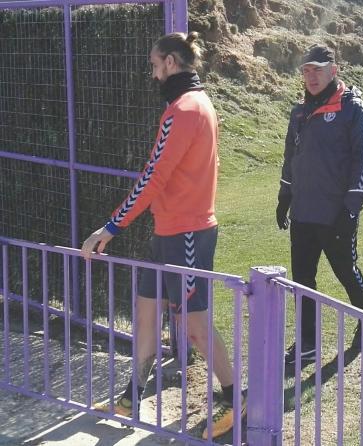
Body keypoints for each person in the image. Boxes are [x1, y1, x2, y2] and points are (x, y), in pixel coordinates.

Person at [80, 32, 243, 440]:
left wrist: (111, 226)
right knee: (147, 312)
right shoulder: (191, 104)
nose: (153, 75)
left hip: (187, 233)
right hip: (168, 230)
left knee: (195, 327)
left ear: (171, 62)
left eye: (154, 65)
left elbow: (153, 176)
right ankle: (131, 396)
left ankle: (235, 401)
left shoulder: (184, 109)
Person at [276, 45, 363, 364]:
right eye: (306, 70)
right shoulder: (299, 112)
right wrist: (284, 196)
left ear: (333, 70)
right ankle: (307, 343)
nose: (311, 76)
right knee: (302, 280)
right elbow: (290, 158)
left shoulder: (353, 108)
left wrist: (351, 208)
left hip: (335, 214)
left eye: (317, 69)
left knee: (346, 272)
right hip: (303, 212)